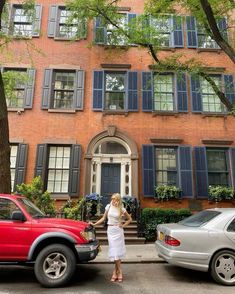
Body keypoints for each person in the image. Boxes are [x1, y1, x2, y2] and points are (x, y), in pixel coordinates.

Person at [89, 193, 132, 282]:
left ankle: (116, 272)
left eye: (115, 199)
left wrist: (123, 225)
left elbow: (129, 219)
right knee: (114, 251)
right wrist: (94, 224)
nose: (113, 201)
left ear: (118, 200)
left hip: (118, 231)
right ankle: (118, 271)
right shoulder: (108, 207)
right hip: (110, 231)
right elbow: (103, 218)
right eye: (112, 199)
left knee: (117, 252)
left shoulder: (122, 209)